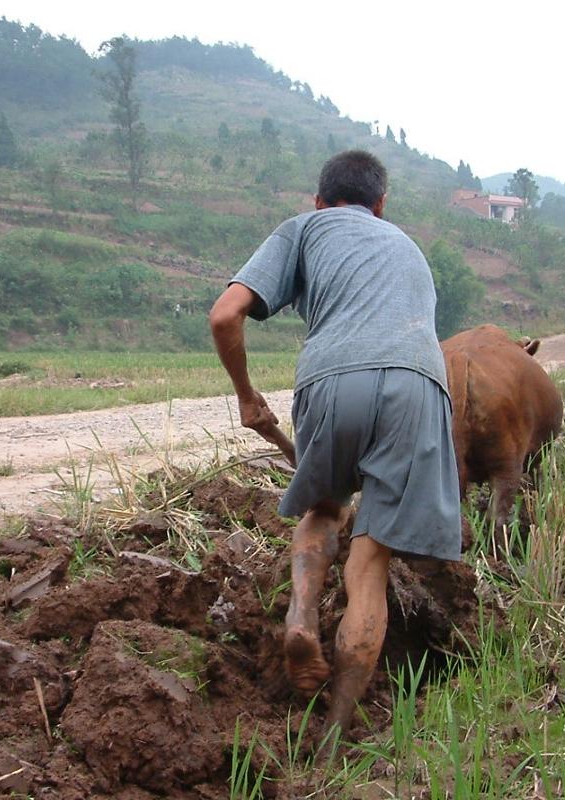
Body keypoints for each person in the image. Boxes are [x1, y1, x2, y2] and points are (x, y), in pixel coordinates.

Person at [208, 150, 462, 739]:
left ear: (320, 202)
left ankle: (300, 617)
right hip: (418, 383)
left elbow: (225, 316)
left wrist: (247, 397)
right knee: (370, 561)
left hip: (330, 377)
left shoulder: (303, 228)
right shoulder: (408, 246)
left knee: (324, 508)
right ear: (381, 206)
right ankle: (337, 729)